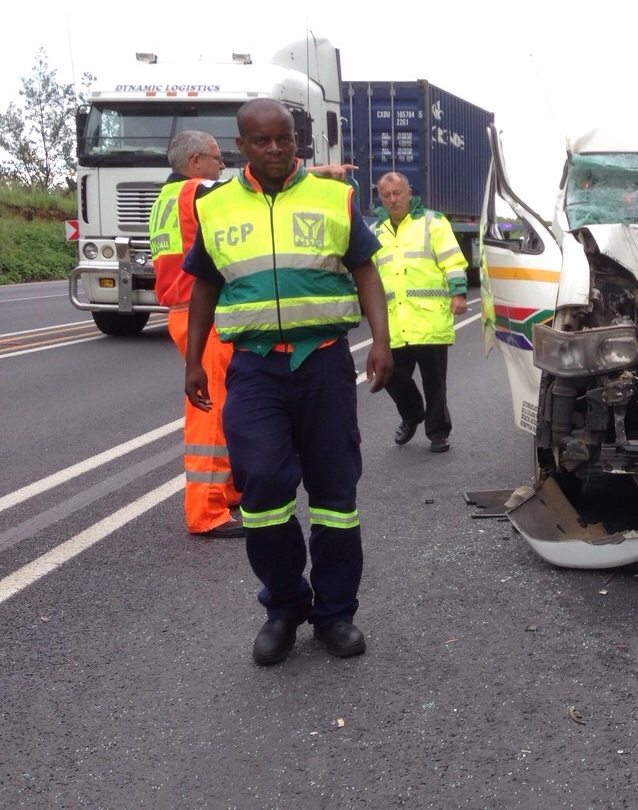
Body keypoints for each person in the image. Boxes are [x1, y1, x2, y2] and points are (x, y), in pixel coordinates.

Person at [182, 99, 393, 666]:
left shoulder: (333, 196)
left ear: (296, 140)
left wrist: (382, 339)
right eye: (262, 141)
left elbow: (365, 270)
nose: (275, 149)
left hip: (322, 362)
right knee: (264, 489)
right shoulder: (217, 206)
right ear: (241, 145)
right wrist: (194, 360)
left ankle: (335, 614)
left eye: (284, 139)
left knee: (334, 495)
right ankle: (283, 606)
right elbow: (203, 285)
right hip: (253, 367)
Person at [148, 131, 242, 537]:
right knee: (212, 411)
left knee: (224, 404)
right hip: (204, 313)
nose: (222, 166)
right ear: (196, 162)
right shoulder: (199, 191)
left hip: (181, 311)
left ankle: (229, 490)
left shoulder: (163, 199)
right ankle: (206, 510)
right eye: (218, 159)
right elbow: (240, 197)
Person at [371, 172, 469, 452]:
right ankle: (413, 413)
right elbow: (370, 275)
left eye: (398, 193)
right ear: (380, 198)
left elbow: (452, 260)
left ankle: (438, 433)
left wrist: (458, 294)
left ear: (409, 192)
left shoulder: (432, 222)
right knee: (389, 376)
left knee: (434, 383)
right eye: (386, 196)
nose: (393, 200)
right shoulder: (376, 231)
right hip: (394, 322)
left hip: (429, 318)